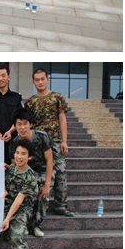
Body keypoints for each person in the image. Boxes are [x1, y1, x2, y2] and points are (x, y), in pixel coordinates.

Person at [25, 68, 73, 217]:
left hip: (55, 142)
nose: (40, 82)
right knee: (38, 173)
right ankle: (36, 206)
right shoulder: (30, 102)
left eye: (42, 79)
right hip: (38, 144)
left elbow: (62, 119)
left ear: (47, 79)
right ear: (33, 82)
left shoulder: (57, 97)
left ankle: (60, 205)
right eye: (37, 80)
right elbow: (28, 124)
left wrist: (64, 141)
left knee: (61, 173)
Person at [8, 109, 54, 237]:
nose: (22, 127)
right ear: (15, 126)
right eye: (19, 124)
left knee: (42, 194)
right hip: (25, 172)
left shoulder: (42, 137)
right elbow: (15, 166)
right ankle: (24, 223)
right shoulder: (14, 143)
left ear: (31, 124)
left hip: (42, 171)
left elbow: (50, 161)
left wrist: (47, 184)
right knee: (24, 191)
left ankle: (36, 225)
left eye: (25, 123)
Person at [1, 139, 38, 249]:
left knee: (15, 236)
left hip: (22, 209)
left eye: (23, 154)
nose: (19, 156)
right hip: (7, 204)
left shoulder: (30, 176)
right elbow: (3, 182)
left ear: (30, 157)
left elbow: (19, 199)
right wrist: (4, 189)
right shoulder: (11, 169)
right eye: (17, 152)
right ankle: (7, 231)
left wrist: (7, 218)